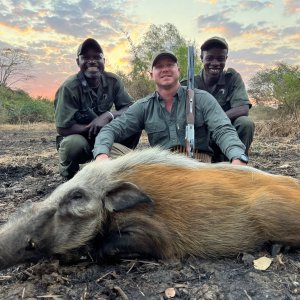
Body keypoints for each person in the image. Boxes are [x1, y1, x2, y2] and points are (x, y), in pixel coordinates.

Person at [93, 49, 249, 166]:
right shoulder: (143, 106)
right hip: (162, 169)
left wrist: (237, 157)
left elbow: (223, 129)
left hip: (199, 166)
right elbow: (111, 129)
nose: (165, 69)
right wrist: (101, 156)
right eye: (159, 66)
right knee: (109, 150)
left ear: (178, 70)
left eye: (170, 65)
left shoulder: (202, 98)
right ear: (151, 74)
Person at [54, 38, 140, 179]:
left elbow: (130, 107)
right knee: (72, 144)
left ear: (103, 61)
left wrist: (108, 116)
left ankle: (122, 166)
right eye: (86, 57)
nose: (92, 61)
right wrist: (91, 127)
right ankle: (70, 177)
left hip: (107, 135)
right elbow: (62, 128)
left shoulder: (113, 81)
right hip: (83, 139)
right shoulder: (68, 88)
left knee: (133, 124)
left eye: (96, 57)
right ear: (78, 62)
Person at [182, 37, 254, 162]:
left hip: (225, 131)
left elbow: (243, 108)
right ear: (201, 58)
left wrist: (216, 120)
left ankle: (236, 162)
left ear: (226, 58)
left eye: (220, 58)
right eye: (209, 58)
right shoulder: (188, 83)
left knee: (245, 123)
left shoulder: (232, 78)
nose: (215, 63)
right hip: (201, 135)